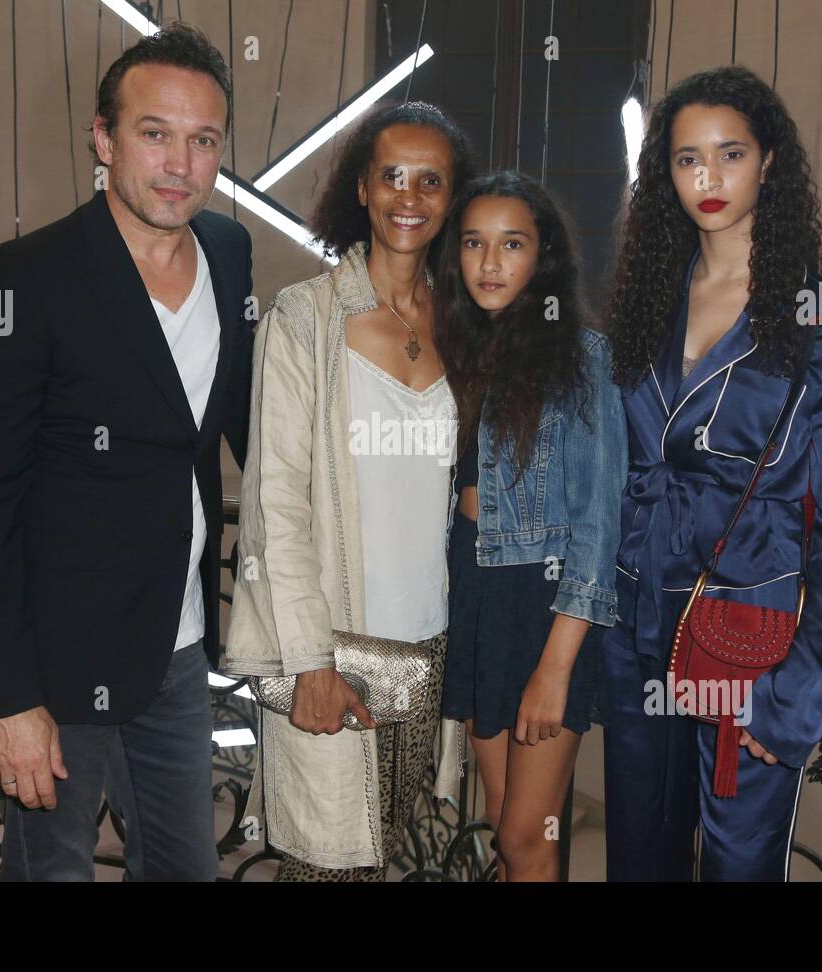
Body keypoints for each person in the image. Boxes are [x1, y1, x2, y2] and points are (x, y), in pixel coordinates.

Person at [0, 24, 253, 881]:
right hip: (58, 658)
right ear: (103, 138)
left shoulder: (230, 256)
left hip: (181, 643)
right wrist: (7, 698)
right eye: (154, 134)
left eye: (202, 142)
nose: (179, 164)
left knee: (185, 867)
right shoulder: (15, 278)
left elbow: (245, 423)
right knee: (53, 872)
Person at [601, 65, 822, 881]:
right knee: (638, 862)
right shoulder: (645, 302)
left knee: (738, 870)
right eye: (688, 160)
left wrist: (798, 697)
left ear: (769, 165)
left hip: (746, 642)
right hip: (634, 626)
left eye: (730, 155)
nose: (709, 179)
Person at [222, 101, 475, 880]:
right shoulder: (307, 317)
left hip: (426, 646)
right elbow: (274, 505)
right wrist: (308, 662)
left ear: (451, 196)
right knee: (324, 865)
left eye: (430, 180)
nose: (409, 195)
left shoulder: (462, 321)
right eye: (391, 176)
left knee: (387, 854)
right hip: (335, 646)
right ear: (361, 188)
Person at [433, 171, 627, 882]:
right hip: (474, 594)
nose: (489, 263)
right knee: (503, 828)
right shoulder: (455, 353)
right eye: (475, 244)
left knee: (527, 838)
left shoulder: (583, 360)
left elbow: (597, 528)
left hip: (543, 606)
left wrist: (555, 668)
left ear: (542, 257)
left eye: (511, 244)